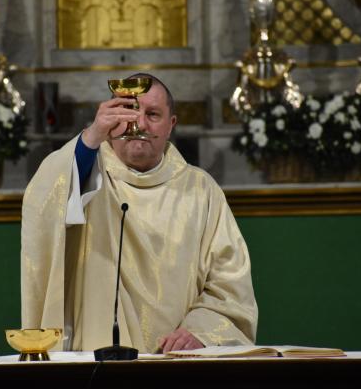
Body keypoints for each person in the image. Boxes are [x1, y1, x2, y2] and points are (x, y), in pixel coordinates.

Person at [21, 73, 258, 354]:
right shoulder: (87, 176)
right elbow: (46, 199)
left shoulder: (201, 190)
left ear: (171, 125)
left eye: (153, 114)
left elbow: (229, 282)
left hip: (178, 360)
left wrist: (200, 331)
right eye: (128, 112)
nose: (139, 124)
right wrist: (92, 135)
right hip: (98, 360)